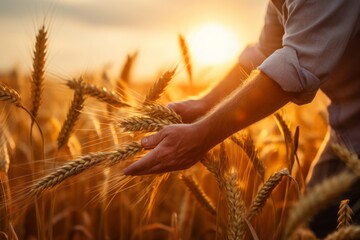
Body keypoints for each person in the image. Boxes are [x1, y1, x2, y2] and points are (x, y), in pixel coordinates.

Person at [124, 0, 360, 237]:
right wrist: (204, 103)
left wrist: (204, 134)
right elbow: (267, 53)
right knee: (316, 224)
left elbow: (294, 67)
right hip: (348, 125)